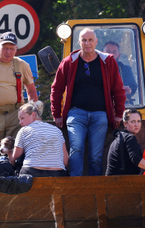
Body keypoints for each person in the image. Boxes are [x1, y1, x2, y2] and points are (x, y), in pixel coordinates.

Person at [51, 28, 126, 176]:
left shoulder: (108, 61)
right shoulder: (69, 62)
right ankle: (76, 188)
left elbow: (118, 89)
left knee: (96, 156)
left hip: (100, 115)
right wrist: (57, 115)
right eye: (84, 40)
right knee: (76, 149)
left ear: (96, 42)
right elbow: (56, 89)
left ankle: (95, 191)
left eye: (90, 40)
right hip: (76, 113)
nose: (87, 43)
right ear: (79, 42)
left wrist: (118, 114)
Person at [9, 101, 69, 177]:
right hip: (57, 173)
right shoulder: (57, 130)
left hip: (32, 172)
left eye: (22, 118)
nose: (20, 122)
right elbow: (65, 160)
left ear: (33, 115)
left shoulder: (23, 131)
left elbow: (15, 156)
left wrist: (8, 154)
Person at [105, 109, 145, 178]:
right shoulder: (129, 137)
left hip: (114, 179)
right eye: (133, 122)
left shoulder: (121, 136)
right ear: (125, 123)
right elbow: (136, 159)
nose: (137, 125)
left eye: (139, 121)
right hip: (118, 181)